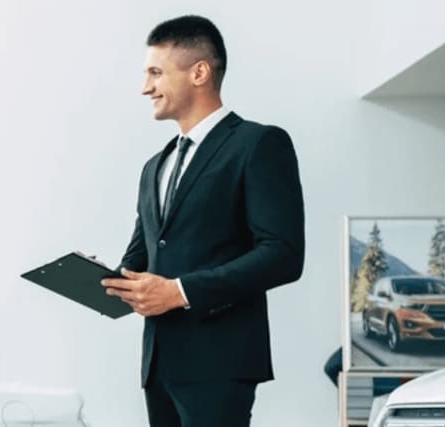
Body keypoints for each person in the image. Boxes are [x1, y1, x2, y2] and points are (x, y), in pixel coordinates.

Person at [101, 15, 306, 427]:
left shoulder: (259, 144)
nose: (145, 87)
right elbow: (143, 257)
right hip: (159, 363)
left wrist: (180, 291)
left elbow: (283, 255)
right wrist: (109, 279)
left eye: (156, 73)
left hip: (220, 361)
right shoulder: (153, 167)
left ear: (199, 72)